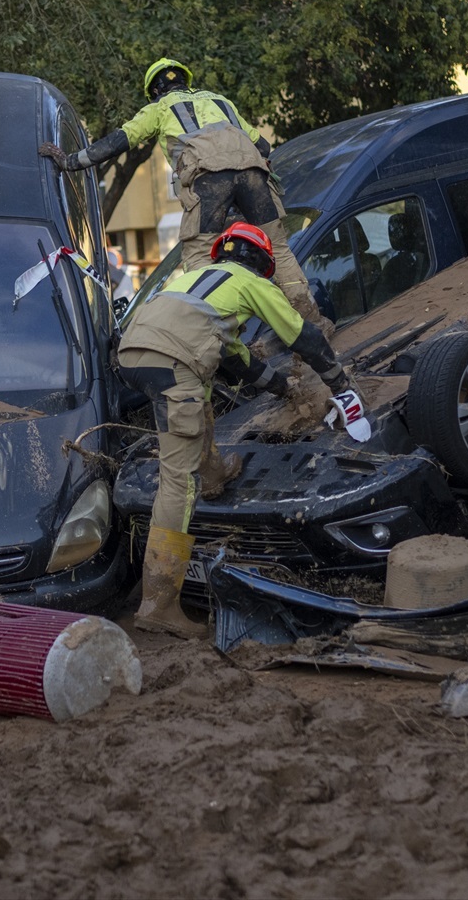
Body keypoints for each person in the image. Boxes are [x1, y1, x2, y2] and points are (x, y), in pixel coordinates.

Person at [117, 222, 362, 638]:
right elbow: (301, 335)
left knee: (198, 393)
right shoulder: (251, 283)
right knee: (178, 482)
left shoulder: (194, 282)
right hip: (174, 363)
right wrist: (340, 383)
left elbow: (237, 361)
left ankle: (212, 469)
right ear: (263, 263)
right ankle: (159, 604)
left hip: (133, 352)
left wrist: (284, 388)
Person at [39, 58, 323, 322]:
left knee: (199, 256)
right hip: (254, 176)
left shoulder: (160, 108)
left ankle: (216, 339)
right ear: (185, 81)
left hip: (208, 182)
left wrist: (70, 161)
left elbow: (119, 141)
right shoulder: (220, 100)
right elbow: (261, 146)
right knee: (280, 249)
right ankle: (311, 321)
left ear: (155, 91)